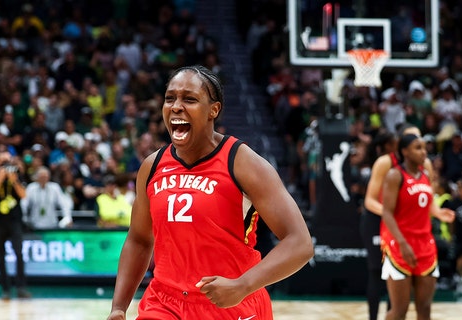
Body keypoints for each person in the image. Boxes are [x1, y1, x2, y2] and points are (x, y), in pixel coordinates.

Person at [107, 65, 313, 320]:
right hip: (164, 303)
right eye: (170, 98)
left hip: (231, 303)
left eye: (189, 99)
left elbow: (300, 243)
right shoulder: (152, 166)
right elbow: (139, 239)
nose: (176, 106)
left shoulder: (243, 163)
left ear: (213, 110)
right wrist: (118, 306)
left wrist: (244, 285)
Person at [380, 134, 455, 320]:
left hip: (425, 245)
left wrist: (438, 213)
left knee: (425, 308)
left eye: (424, 147)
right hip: (400, 244)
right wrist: (402, 242)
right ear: (404, 151)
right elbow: (387, 213)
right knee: (399, 311)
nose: (424, 152)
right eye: (418, 147)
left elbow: (423, 205)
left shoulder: (426, 176)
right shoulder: (394, 175)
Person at [359, 130, 397, 320]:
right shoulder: (379, 165)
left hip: (391, 223)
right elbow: (370, 201)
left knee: (394, 273)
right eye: (393, 143)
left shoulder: (399, 167)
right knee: (376, 272)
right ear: (384, 147)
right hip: (374, 223)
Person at [0, 148, 31, 300]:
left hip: (15, 221)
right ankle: (5, 289)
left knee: (19, 254)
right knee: (1, 256)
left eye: (7, 162)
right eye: (2, 163)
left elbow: (24, 195)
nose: (5, 166)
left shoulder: (17, 175)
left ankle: (21, 288)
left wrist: (14, 180)